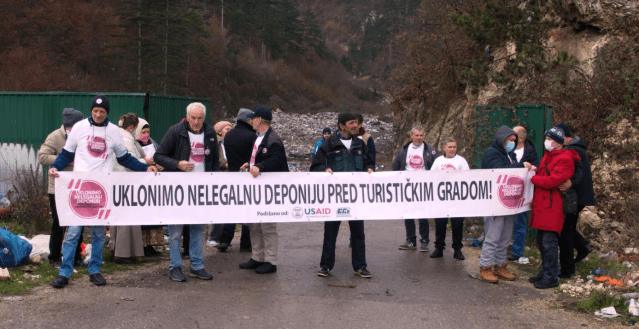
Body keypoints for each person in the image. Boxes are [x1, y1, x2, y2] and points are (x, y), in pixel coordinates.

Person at [49, 95, 157, 289]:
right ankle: (64, 273)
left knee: (98, 233)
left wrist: (144, 168)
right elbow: (67, 153)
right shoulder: (80, 128)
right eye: (95, 111)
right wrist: (56, 166)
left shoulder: (114, 132)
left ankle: (95, 270)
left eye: (102, 112)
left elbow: (124, 158)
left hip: (101, 190)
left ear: (107, 113)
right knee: (73, 233)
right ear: (91, 111)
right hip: (80, 190)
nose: (98, 114)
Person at [154, 102, 219, 282]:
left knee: (198, 228)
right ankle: (175, 266)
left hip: (201, 189)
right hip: (179, 188)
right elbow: (158, 156)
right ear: (187, 117)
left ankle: (197, 266)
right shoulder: (176, 131)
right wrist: (177, 164)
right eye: (193, 118)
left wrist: (215, 181)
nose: (196, 122)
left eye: (200, 118)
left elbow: (214, 161)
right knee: (176, 230)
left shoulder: (210, 133)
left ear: (204, 118)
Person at [311, 113, 375, 278]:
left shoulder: (360, 144)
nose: (355, 125)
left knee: (358, 234)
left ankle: (360, 266)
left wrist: (369, 169)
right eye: (351, 123)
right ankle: (325, 266)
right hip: (334, 199)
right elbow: (316, 165)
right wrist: (324, 170)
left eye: (356, 122)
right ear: (342, 125)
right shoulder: (329, 144)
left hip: (355, 198)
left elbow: (369, 162)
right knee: (330, 233)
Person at [478, 125, 533, 284]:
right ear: (502, 139)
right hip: (494, 202)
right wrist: (520, 166)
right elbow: (500, 171)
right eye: (510, 140)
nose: (512, 143)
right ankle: (485, 267)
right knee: (493, 236)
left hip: (508, 202)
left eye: (514, 140)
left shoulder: (511, 155)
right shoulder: (492, 153)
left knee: (504, 237)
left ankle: (500, 265)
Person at [238, 107, 289, 274]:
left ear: (259, 120)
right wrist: (250, 164)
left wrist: (260, 166)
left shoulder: (273, 140)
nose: (251, 121)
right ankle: (257, 257)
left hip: (269, 190)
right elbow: (258, 157)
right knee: (255, 225)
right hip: (257, 189)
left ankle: (271, 260)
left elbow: (277, 160)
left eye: (253, 118)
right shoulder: (259, 137)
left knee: (267, 227)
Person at [528, 127, 579, 289]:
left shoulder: (565, 158)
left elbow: (553, 181)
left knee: (549, 243)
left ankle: (551, 276)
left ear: (557, 142)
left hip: (552, 206)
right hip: (542, 205)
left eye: (549, 138)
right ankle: (545, 272)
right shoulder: (549, 156)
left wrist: (533, 179)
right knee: (542, 242)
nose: (547, 141)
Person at [37, 108, 85, 268]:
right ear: (70, 125)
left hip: (78, 186)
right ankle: (55, 257)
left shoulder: (82, 137)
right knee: (59, 223)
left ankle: (77, 257)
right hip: (58, 188)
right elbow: (42, 156)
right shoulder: (55, 137)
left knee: (79, 221)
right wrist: (65, 160)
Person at [556, 123, 595, 278]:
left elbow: (573, 175)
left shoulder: (571, 151)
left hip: (573, 198)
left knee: (565, 231)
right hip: (579, 197)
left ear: (565, 137)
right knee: (568, 229)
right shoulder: (578, 148)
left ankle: (567, 269)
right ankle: (582, 247)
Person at [108, 113, 147, 263]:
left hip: (116, 180)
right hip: (126, 181)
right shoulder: (127, 139)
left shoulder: (115, 135)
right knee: (127, 218)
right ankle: (123, 253)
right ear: (132, 127)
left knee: (117, 217)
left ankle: (115, 248)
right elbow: (129, 161)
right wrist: (145, 162)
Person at [392, 126, 437, 251]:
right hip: (407, 187)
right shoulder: (404, 150)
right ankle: (411, 241)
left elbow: (437, 169)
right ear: (411, 136)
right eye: (416, 135)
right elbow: (396, 166)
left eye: (421, 135)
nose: (419, 138)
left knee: (423, 215)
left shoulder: (430, 150)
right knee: (408, 215)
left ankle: (424, 241)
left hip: (423, 187)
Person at [216, 109, 254, 252]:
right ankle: (245, 243)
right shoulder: (252, 136)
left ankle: (225, 239)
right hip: (247, 176)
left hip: (232, 176)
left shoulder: (229, 136)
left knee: (232, 209)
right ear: (247, 120)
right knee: (247, 210)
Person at [430, 137, 469, 260]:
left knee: (457, 224)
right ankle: (439, 248)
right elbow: (431, 176)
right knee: (440, 224)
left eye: (454, 147)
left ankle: (457, 250)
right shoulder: (438, 161)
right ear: (444, 148)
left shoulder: (461, 161)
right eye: (450, 147)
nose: (452, 149)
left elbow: (468, 177)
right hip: (441, 198)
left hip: (457, 198)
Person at [509, 126, 540, 261]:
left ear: (520, 138)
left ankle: (517, 252)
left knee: (520, 222)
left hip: (522, 193)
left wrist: (533, 168)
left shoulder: (530, 151)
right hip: (506, 190)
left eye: (513, 135)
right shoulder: (507, 150)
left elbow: (536, 168)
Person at [135, 118, 164, 256]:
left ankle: (151, 244)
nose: (146, 135)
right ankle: (141, 245)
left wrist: (159, 164)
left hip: (153, 185)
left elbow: (160, 156)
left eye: (148, 132)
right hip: (140, 184)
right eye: (143, 132)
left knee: (153, 215)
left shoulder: (153, 143)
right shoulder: (134, 145)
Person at [206, 120, 233, 247]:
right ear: (219, 130)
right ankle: (213, 236)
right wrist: (228, 164)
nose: (230, 131)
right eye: (227, 129)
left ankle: (222, 237)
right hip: (219, 177)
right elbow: (217, 160)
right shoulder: (215, 143)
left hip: (228, 177)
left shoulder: (229, 142)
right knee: (218, 207)